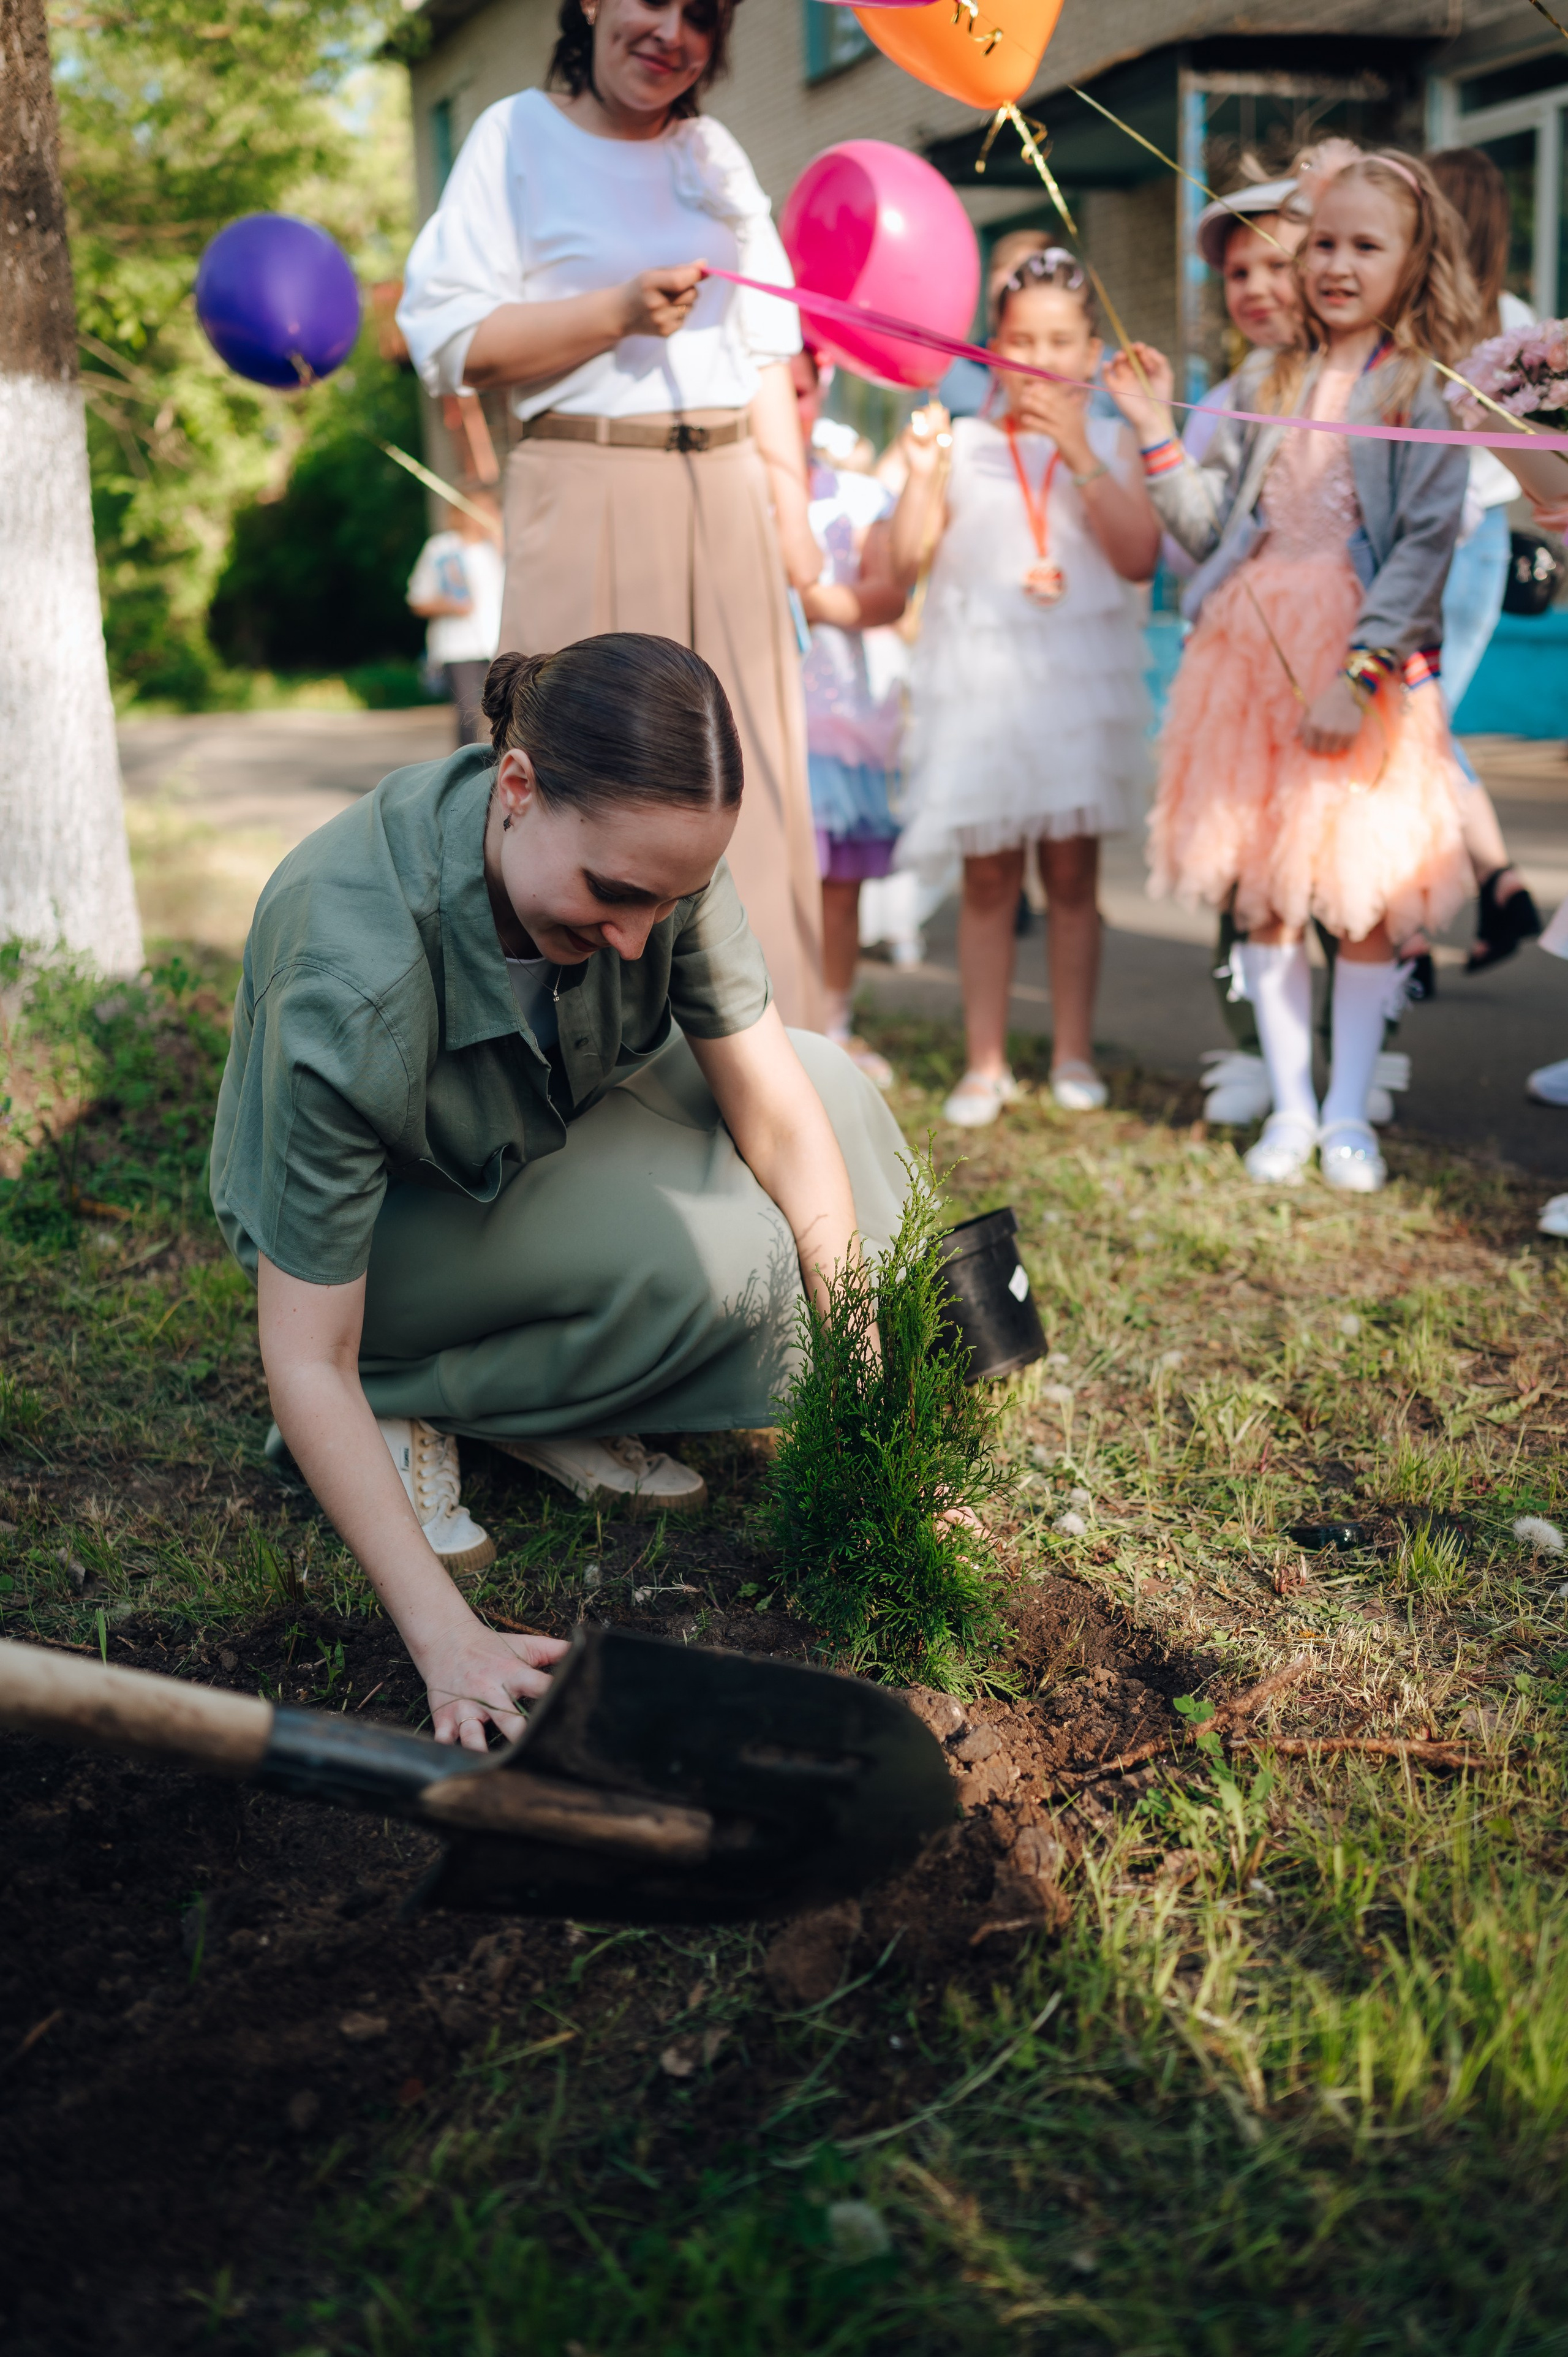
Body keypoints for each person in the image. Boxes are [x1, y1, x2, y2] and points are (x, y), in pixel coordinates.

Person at [209, 633, 907, 1750]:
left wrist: (875, 1415)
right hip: (372, 1247)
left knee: (837, 1091)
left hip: (520, 1138)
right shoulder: (351, 965)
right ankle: (419, 1401)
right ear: (518, 787)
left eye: (667, 900)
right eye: (615, 896)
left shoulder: (647, 850)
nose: (637, 936)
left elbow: (780, 1111)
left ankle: (559, 1391)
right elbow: (302, 1353)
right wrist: (450, 1638)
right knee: (717, 1262)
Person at [396, 0, 827, 1031]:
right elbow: (450, 341)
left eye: (700, 13)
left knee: (744, 780)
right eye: (651, 1)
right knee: (576, 777)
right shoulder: (513, 137)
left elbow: (767, 346)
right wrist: (615, 314)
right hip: (582, 480)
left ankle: (767, 1059)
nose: (671, 30)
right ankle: (558, 1065)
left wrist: (792, 508)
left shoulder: (713, 151)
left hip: (725, 493)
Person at [1107, 143, 1479, 1193]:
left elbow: (1423, 545)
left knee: (1357, 893)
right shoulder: (1265, 381)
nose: (1336, 265)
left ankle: (1352, 1111)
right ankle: (1293, 1106)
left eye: (1367, 244)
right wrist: (1152, 434)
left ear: (1415, 260)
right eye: (1322, 243)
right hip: (1249, 659)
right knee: (1266, 890)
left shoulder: (1419, 390)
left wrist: (1360, 672)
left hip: (1358, 657)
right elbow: (1207, 525)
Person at [891, 248, 1159, 1126]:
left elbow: (1137, 555)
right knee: (989, 879)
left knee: (1073, 878)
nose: (1039, 359)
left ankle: (1074, 1049)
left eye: (1060, 341)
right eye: (1020, 341)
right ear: (992, 350)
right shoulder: (961, 445)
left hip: (1075, 691)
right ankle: (985, 1060)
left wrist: (1078, 445)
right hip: (983, 692)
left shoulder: (1116, 440)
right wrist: (920, 479)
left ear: (1091, 351)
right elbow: (908, 561)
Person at [1427, 146, 1542, 974]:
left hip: (1458, 544)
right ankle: (1496, 887)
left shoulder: (1451, 324)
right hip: (1480, 539)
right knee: (1419, 726)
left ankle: (1420, 917)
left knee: (1413, 730)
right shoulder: (1517, 317)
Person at [791, 346, 910, 1089]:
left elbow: (889, 592)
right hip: (753, 718)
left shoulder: (854, 497)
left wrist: (811, 600)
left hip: (835, 716)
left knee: (838, 886)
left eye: (805, 390)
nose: (794, 403)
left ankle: (831, 1022)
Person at [405, 489, 505, 747]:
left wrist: (502, 542)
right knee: (469, 716)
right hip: (458, 647)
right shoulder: (441, 549)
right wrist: (449, 605)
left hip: (497, 643)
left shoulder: (497, 548)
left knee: (501, 714)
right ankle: (466, 777)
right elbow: (417, 600)